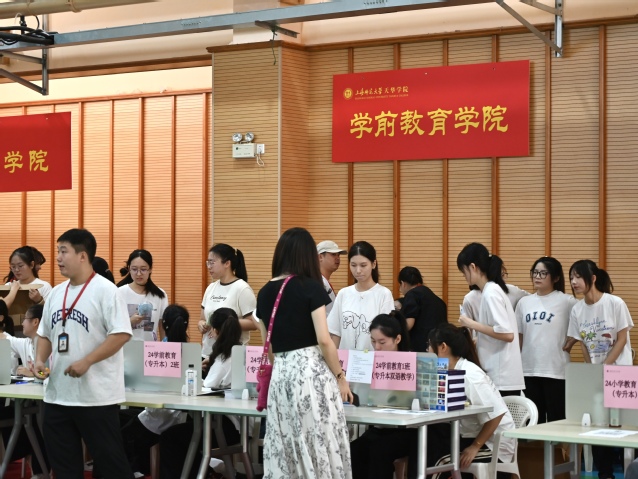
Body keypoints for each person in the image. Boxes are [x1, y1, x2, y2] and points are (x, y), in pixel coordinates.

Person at [34, 228, 134, 479]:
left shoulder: (106, 291)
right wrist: (39, 360)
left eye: (63, 251)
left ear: (82, 255)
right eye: (58, 251)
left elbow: (121, 334)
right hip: (57, 396)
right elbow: (45, 334)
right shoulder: (56, 293)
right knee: (64, 468)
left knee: (111, 466)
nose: (58, 257)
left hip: (96, 398)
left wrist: (87, 361)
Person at [254, 227, 352, 479]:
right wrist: (340, 377)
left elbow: (269, 347)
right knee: (319, 438)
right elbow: (324, 340)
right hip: (310, 374)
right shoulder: (310, 287)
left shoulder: (264, 292)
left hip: (281, 375)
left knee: (286, 442)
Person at [567, 259, 633, 479]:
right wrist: (592, 371)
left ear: (593, 278)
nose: (574, 282)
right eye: (571, 277)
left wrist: (605, 367)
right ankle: (605, 474)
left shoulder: (615, 303)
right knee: (597, 424)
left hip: (620, 373)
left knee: (625, 426)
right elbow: (583, 344)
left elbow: (622, 339)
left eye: (578, 277)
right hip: (596, 375)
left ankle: (631, 471)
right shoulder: (577, 310)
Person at [159, 307, 243, 479]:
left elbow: (206, 387)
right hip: (239, 425)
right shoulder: (241, 352)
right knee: (182, 434)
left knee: (171, 436)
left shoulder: (223, 359)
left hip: (224, 427)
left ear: (215, 331)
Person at [121, 304, 190, 478]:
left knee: (121, 434)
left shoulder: (156, 353)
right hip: (181, 417)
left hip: (157, 417)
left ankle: (131, 472)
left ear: (163, 325)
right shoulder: (191, 351)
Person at [457, 243, 524, 396]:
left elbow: (507, 334)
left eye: (463, 271)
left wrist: (472, 324)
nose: (464, 276)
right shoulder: (490, 290)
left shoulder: (491, 292)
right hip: (500, 374)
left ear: (473, 267)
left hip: (501, 376)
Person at [350, 311, 411, 479]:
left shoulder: (410, 363)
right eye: (373, 341)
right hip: (380, 428)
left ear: (397, 339)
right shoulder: (368, 363)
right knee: (354, 450)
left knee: (379, 450)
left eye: (382, 342)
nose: (376, 347)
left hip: (407, 431)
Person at [516, 256, 577, 423]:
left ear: (555, 278)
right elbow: (519, 337)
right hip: (528, 369)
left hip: (556, 370)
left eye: (543, 273)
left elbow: (585, 322)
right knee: (535, 420)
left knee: (558, 419)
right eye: (535, 272)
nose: (537, 277)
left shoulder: (567, 301)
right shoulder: (524, 303)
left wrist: (572, 341)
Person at [0, 303, 51, 477]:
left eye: (25, 319)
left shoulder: (51, 344)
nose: (22, 323)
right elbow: (4, 338)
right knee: (22, 419)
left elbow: (53, 371)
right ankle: (36, 467)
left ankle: (41, 471)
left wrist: (34, 373)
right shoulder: (26, 343)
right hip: (31, 399)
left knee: (37, 423)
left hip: (50, 399)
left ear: (35, 322)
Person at [328, 241, 394, 351]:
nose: (358, 271)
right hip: (345, 360)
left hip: (372, 359)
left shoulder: (384, 294)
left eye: (363, 265)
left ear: (373, 264)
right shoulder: (343, 294)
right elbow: (335, 333)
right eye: (353, 265)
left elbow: (386, 335)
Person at [197, 243, 256, 358]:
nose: (209, 266)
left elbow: (253, 323)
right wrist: (201, 324)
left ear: (227, 263)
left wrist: (222, 323)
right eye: (208, 262)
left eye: (212, 262)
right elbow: (202, 319)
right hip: (208, 353)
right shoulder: (211, 288)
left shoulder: (242, 288)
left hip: (232, 356)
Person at [117, 249, 168, 341]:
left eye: (143, 269)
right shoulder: (119, 293)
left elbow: (162, 326)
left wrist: (165, 345)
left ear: (150, 269)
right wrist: (130, 322)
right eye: (134, 269)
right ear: (129, 269)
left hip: (150, 348)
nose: (139, 274)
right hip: (125, 347)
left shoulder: (160, 295)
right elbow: (112, 326)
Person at [397, 266, 447, 352]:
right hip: (439, 348)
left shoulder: (412, 295)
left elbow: (408, 324)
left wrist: (393, 330)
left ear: (403, 283)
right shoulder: (439, 301)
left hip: (421, 349)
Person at [462, 265, 529, 323]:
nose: (502, 279)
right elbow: (467, 329)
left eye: (503, 275)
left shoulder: (512, 290)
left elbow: (531, 299)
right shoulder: (470, 298)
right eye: (500, 276)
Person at [317, 240, 347, 315]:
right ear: (320, 257)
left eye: (338, 255)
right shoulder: (317, 283)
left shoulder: (324, 281)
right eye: (333, 254)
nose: (337, 258)